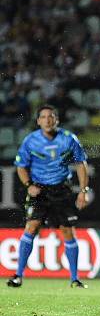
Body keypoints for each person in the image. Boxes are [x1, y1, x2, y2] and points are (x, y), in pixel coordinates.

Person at [6, 105, 90, 288]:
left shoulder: (68, 139)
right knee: (31, 227)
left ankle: (74, 279)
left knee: (67, 231)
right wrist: (29, 185)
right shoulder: (30, 141)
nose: (47, 120)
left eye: (51, 116)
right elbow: (21, 166)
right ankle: (18, 275)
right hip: (40, 191)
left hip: (62, 190)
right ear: (38, 121)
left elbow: (81, 164)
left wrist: (83, 192)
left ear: (56, 120)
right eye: (43, 117)